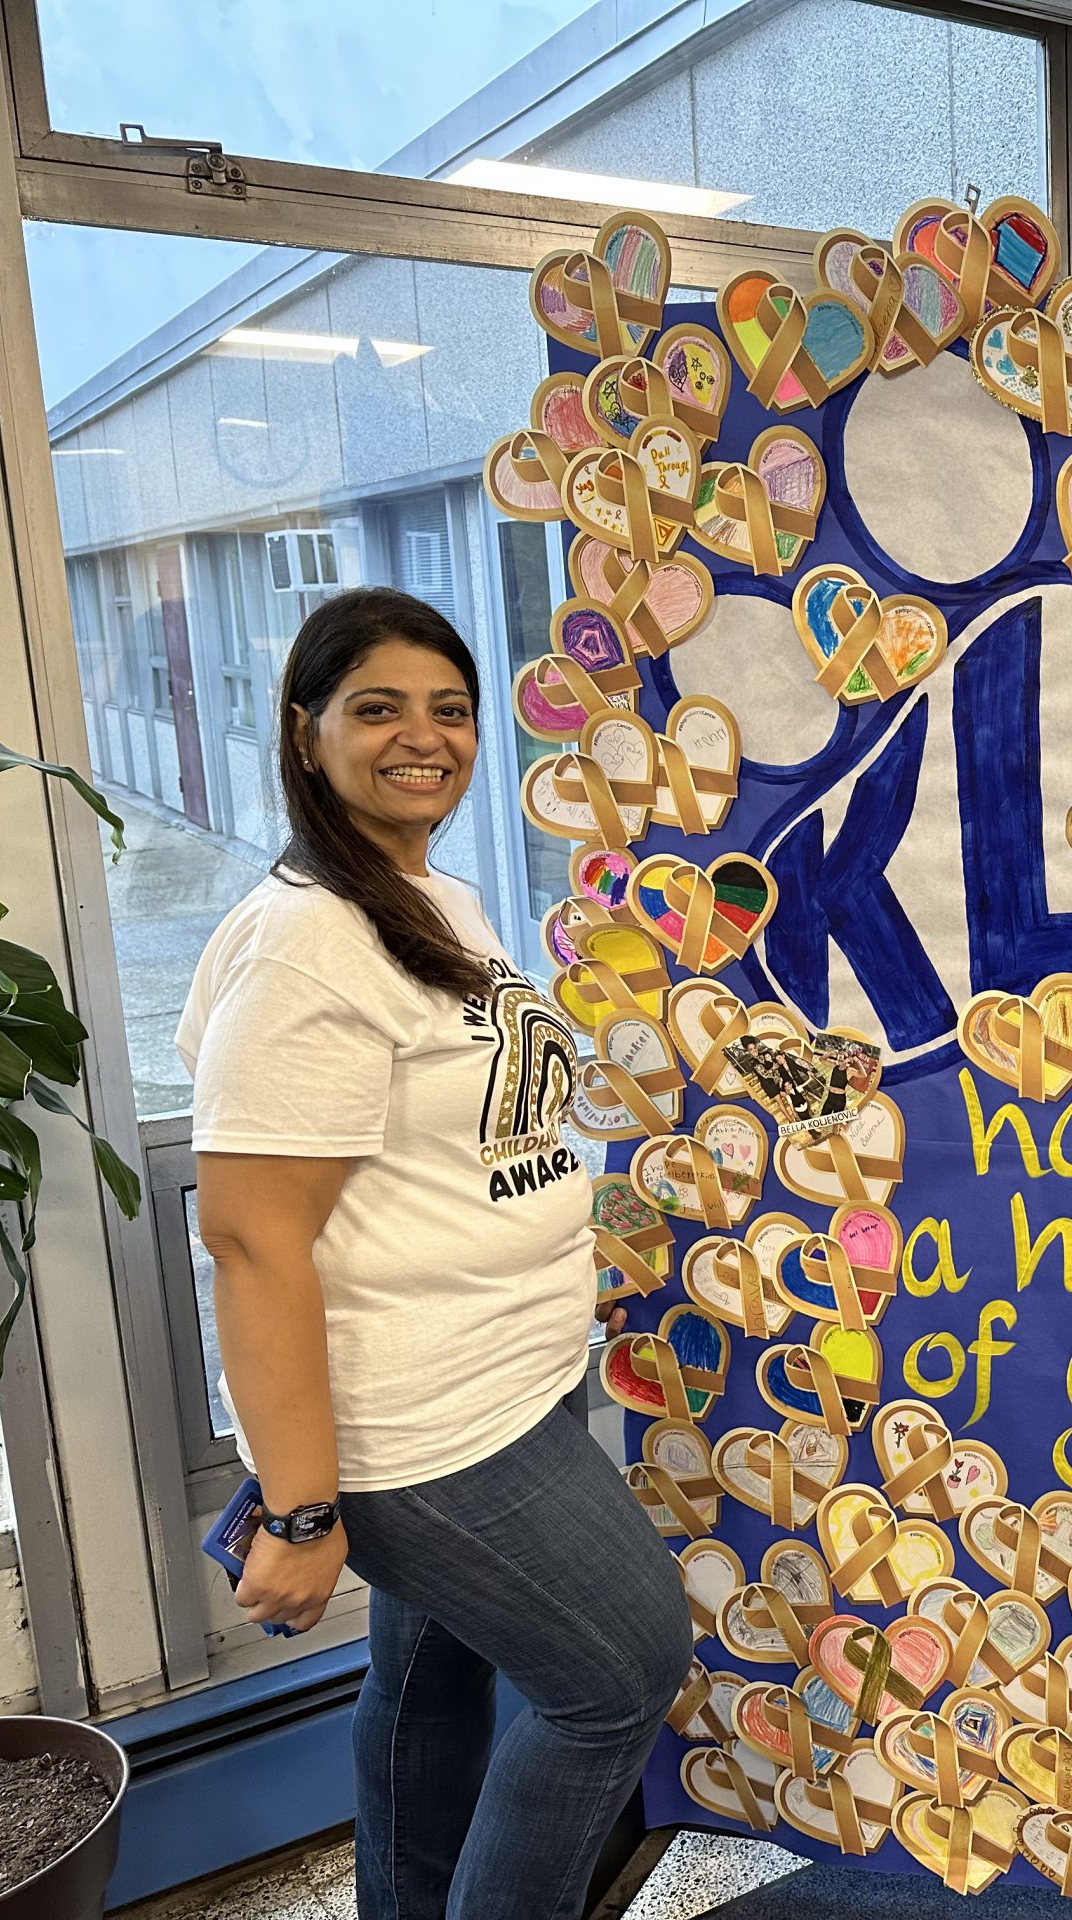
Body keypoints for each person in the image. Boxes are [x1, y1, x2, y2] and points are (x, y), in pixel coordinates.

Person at [178, 589, 689, 1920]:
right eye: (378, 708)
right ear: (306, 734)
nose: (424, 737)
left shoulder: (427, 896)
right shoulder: (308, 947)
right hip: (430, 1428)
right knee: (621, 1674)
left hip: (508, 1374)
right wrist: (298, 1507)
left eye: (448, 710)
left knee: (432, 1678)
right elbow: (249, 1234)